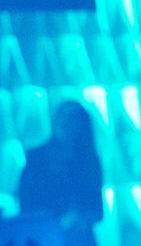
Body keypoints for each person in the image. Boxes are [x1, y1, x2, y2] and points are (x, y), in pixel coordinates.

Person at [16, 100, 106, 246]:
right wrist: (59, 220)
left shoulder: (89, 161)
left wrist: (81, 218)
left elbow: (97, 209)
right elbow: (27, 205)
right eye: (64, 118)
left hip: (81, 238)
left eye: (73, 119)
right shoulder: (37, 159)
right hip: (45, 237)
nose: (67, 124)